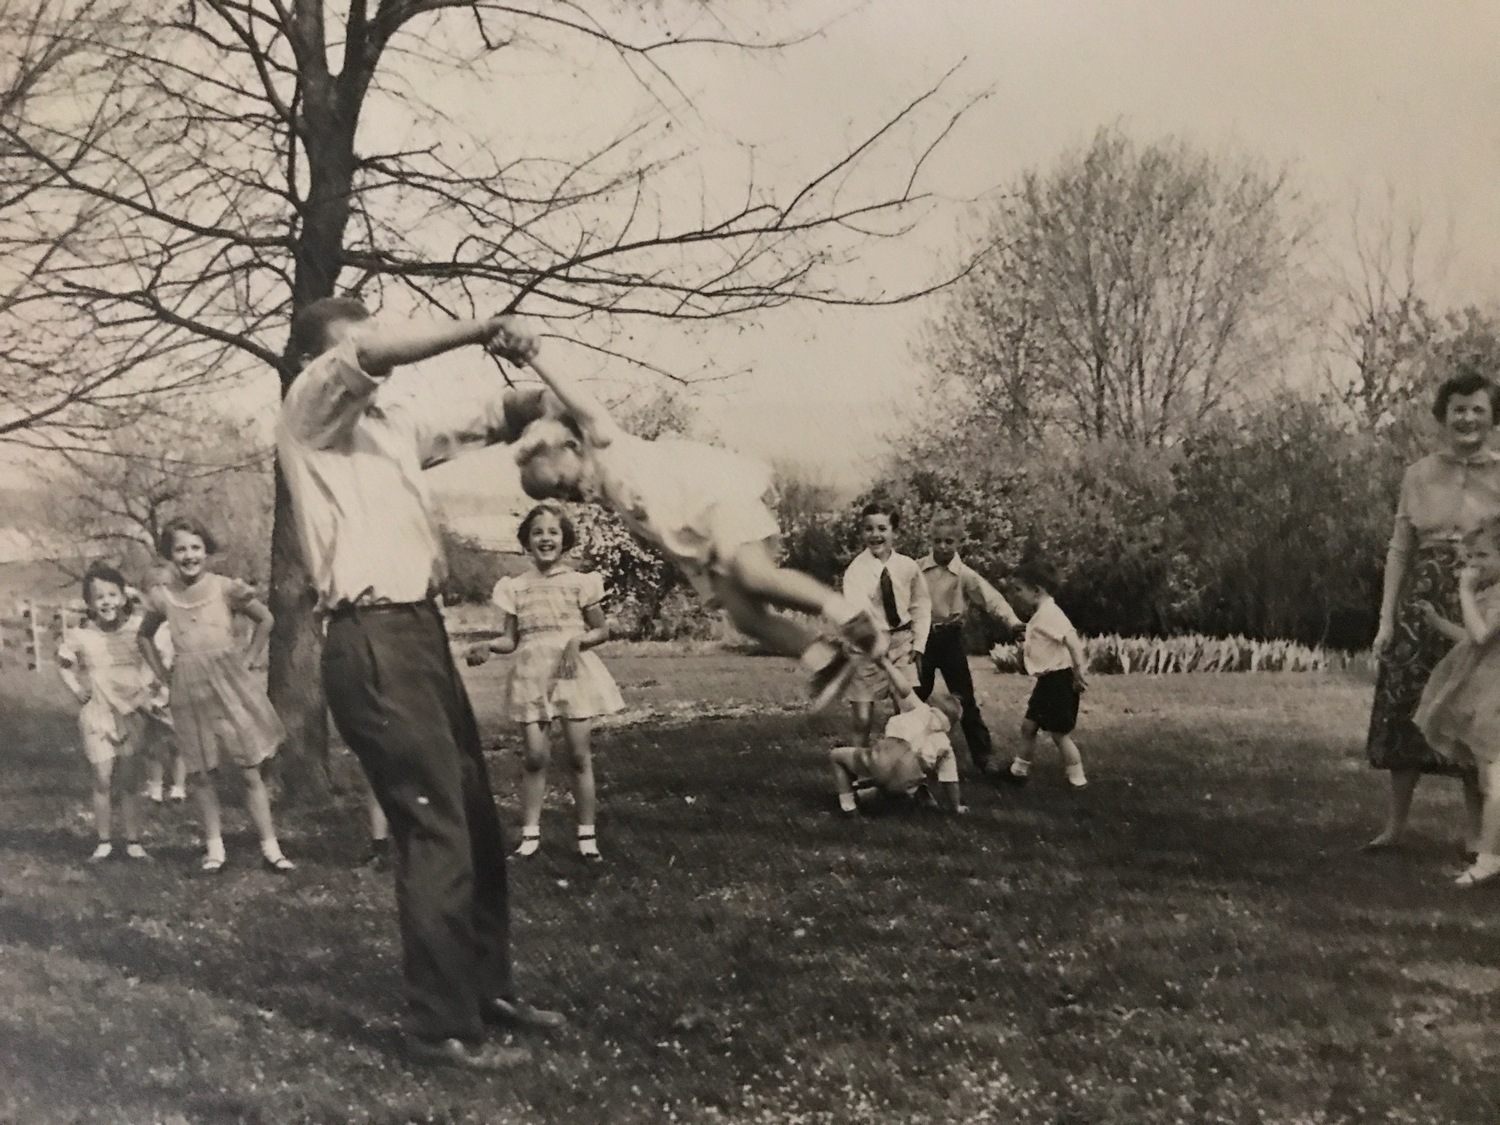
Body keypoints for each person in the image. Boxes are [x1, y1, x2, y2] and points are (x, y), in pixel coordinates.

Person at [276, 296, 563, 1072]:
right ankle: (439, 1027)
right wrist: (479, 327)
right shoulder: (308, 412)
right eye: (361, 341)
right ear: (319, 361)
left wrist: (539, 396)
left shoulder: (388, 427)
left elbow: (490, 416)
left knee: (471, 816)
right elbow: (376, 358)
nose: (378, 351)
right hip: (371, 640)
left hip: (422, 632)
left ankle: (487, 986)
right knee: (434, 826)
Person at [487, 322, 887, 709]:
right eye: (561, 496)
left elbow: (569, 396)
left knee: (755, 575)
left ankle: (850, 616)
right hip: (703, 542)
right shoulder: (605, 493)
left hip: (715, 498)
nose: (570, 496)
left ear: (573, 447)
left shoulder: (603, 440)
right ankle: (826, 660)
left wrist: (531, 356)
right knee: (746, 618)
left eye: (562, 484)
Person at [1364, 366, 1500, 854]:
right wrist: (1385, 619)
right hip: (1419, 604)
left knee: (1471, 710)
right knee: (1404, 705)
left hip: (1478, 603)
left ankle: (1474, 833)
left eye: (1477, 410)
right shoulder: (1418, 475)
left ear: (1492, 418)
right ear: (1444, 416)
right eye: (1458, 410)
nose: (1467, 419)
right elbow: (1400, 549)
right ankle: (1395, 827)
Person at [466, 503, 623, 861]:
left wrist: (576, 640)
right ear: (527, 541)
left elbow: (601, 630)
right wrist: (488, 646)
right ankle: (530, 837)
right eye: (538, 532)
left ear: (564, 539)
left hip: (572, 673)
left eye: (553, 532)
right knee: (535, 757)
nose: (545, 539)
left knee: (579, 756)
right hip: (531, 673)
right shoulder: (515, 587)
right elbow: (510, 639)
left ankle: (586, 839)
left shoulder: (580, 582)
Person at [137, 517, 294, 874]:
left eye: (196, 548)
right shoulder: (165, 597)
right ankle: (214, 849)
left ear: (206, 551)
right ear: (168, 555)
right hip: (188, 688)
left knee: (249, 769)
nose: (189, 556)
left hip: (228, 683)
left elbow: (265, 619)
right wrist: (164, 674)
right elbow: (144, 636)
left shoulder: (225, 588)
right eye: (180, 549)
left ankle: (271, 847)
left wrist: (251, 658)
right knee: (202, 773)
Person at [1414, 516, 1500, 886]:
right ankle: (1489, 854)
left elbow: (1481, 636)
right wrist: (1436, 622)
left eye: (1481, 556)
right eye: (1469, 557)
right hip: (1487, 691)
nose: (1473, 565)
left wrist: (1464, 593)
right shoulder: (1492, 592)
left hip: (1495, 694)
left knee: (1496, 780)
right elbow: (1469, 637)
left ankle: (1488, 859)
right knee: (1489, 776)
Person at [56, 564, 159, 862]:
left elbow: (157, 652)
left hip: (130, 711)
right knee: (102, 778)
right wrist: (76, 688)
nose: (106, 602)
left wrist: (148, 688)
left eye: (113, 594)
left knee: (128, 779)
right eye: (98, 597)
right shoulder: (80, 635)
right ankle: (103, 840)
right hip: (97, 713)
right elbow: (63, 663)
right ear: (88, 603)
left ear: (123, 597)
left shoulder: (138, 628)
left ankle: (133, 840)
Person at [917, 512, 1024, 775]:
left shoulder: (964, 574)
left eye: (949, 541)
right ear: (930, 540)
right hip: (921, 638)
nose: (943, 547)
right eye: (938, 541)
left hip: (950, 639)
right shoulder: (916, 569)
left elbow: (991, 599)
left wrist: (1013, 622)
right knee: (915, 697)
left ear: (959, 542)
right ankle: (908, 754)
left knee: (964, 699)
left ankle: (983, 756)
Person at [829, 654, 967, 815]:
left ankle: (848, 806)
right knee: (907, 776)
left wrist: (885, 662)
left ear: (932, 705)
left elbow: (904, 688)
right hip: (907, 780)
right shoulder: (944, 746)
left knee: (837, 756)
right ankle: (892, 797)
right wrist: (956, 806)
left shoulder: (920, 710)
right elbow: (950, 780)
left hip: (880, 761)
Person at [842, 501, 932, 746]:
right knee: (862, 718)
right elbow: (858, 611)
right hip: (867, 644)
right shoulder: (856, 571)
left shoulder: (908, 566)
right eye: (868, 529)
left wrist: (919, 644)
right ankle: (860, 773)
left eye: (882, 528)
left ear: (895, 532)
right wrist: (872, 641)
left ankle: (906, 771)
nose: (875, 535)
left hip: (901, 642)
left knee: (907, 711)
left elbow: (921, 605)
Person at [1001, 558, 1090, 790]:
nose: (1016, 595)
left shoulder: (1051, 613)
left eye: (1019, 590)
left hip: (1060, 680)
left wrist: (1079, 672)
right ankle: (1018, 771)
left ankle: (1077, 778)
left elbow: (1072, 640)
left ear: (1037, 591)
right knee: (1029, 726)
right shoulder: (1041, 614)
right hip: (1047, 682)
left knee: (1059, 733)